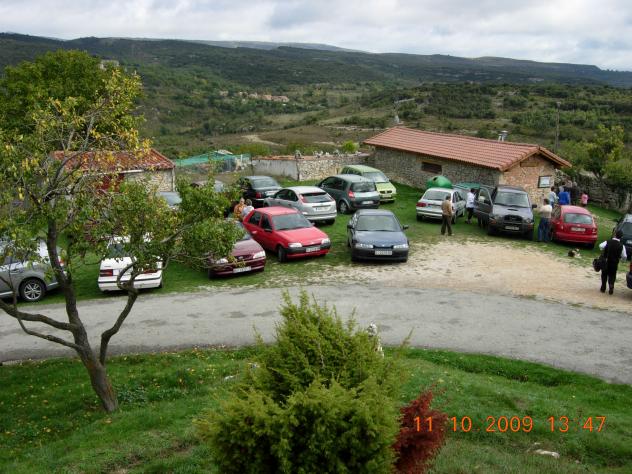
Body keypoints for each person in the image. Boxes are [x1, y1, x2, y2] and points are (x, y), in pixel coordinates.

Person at [599, 229, 628, 295]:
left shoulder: (608, 242)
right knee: (612, 275)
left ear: (615, 235)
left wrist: (603, 250)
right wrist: (622, 260)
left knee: (604, 274)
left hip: (606, 261)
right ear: (621, 237)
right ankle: (611, 285)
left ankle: (603, 288)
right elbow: (624, 256)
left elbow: (600, 245)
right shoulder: (622, 246)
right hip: (614, 263)